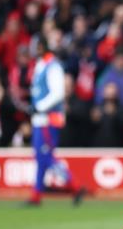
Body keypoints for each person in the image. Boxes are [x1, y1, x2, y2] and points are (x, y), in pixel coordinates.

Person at [24, 35, 85, 206]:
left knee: (46, 157)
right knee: (41, 157)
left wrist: (40, 107)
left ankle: (75, 186)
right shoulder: (41, 65)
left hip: (49, 119)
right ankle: (36, 195)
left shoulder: (53, 66)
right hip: (40, 119)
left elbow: (57, 93)